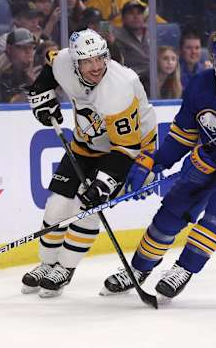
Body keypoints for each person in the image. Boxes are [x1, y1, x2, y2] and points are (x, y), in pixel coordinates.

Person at [101, 30, 216, 301]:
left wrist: (204, 159)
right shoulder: (200, 86)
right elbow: (183, 135)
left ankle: (183, 268)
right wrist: (154, 161)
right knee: (173, 208)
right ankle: (138, 269)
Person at [22, 28, 157, 298]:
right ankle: (47, 263)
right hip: (86, 145)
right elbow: (50, 67)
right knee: (57, 203)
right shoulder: (63, 62)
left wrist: (103, 184)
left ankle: (65, 268)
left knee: (87, 205)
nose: (96, 67)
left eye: (100, 58)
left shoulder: (119, 88)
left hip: (131, 150)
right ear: (75, 63)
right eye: (87, 61)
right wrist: (41, 94)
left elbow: (125, 148)